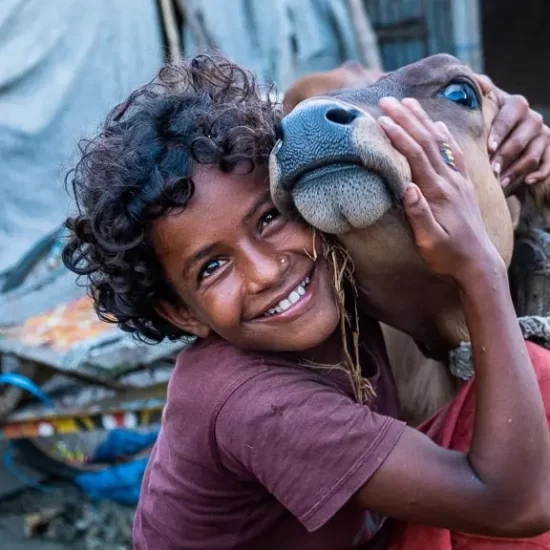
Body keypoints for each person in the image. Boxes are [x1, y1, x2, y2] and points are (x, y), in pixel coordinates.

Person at [63, 54, 550, 550]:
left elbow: (357, 88)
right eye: (212, 268)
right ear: (183, 313)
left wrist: (499, 112)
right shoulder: (261, 406)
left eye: (269, 219)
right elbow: (518, 504)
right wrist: (479, 265)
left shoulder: (332, 280)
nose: (267, 271)